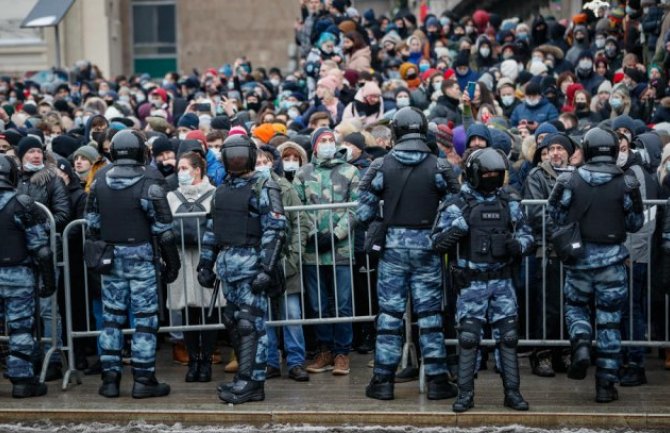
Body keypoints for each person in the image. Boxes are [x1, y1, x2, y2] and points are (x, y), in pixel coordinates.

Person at [357, 107, 460, 401]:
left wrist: (378, 223)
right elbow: (456, 202)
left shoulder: (380, 165)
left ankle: (383, 382)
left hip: (392, 248)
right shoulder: (439, 166)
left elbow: (362, 208)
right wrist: (440, 232)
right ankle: (438, 381)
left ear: (397, 131)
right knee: (430, 316)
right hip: (428, 246)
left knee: (390, 315)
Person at [432, 148, 534, 413]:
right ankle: (465, 395)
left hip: (502, 281)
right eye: (486, 173)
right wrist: (460, 228)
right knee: (468, 339)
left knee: (509, 338)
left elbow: (528, 235)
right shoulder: (457, 204)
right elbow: (437, 242)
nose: (490, 177)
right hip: (472, 283)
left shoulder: (509, 200)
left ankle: (513, 393)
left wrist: (517, 246)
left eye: (495, 174)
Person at [547, 127, 645, 403]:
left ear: (587, 149)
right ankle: (605, 385)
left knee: (576, 308)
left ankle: (580, 343)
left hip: (578, 259)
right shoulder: (627, 182)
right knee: (609, 324)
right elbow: (635, 223)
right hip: (612, 262)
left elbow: (555, 214)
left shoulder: (569, 179)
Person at [85, 129, 181, 399]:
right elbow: (165, 229)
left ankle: (110, 379)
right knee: (144, 321)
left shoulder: (100, 179)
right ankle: (143, 379)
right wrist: (173, 264)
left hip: (110, 256)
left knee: (112, 320)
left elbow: (91, 224)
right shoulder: (151, 179)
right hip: (140, 258)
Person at [197, 134, 287, 404]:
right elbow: (212, 229)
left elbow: (276, 230)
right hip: (228, 268)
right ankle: (244, 378)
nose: (235, 159)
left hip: (252, 267)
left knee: (251, 326)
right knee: (233, 323)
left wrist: (266, 269)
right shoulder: (222, 188)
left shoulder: (264, 186)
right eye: (230, 154)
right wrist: (205, 263)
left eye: (240, 154)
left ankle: (252, 382)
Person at [293, 127, 359, 377]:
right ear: (314, 146)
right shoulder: (303, 173)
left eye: (332, 140)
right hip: (313, 251)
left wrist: (335, 234)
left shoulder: (351, 172)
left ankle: (342, 352)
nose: (328, 144)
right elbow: (297, 208)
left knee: (343, 303)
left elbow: (356, 207)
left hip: (341, 249)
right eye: (323, 140)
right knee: (317, 304)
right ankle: (324, 350)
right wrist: (312, 234)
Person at [16, 136, 71, 382]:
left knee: (49, 308)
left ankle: (55, 358)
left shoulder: (53, 181)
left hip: (48, 251)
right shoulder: (13, 180)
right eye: (31, 152)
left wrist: (36, 222)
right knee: (24, 308)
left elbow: (62, 215)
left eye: (39, 151)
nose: (36, 156)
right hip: (20, 254)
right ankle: (29, 356)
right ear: (21, 156)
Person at [0, 154, 55, 398]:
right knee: (21, 329)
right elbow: (41, 248)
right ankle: (22, 380)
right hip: (18, 276)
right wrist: (49, 279)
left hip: (16, 273)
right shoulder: (22, 203)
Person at [255, 147, 310, 382]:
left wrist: (294, 257)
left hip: (286, 259)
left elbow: (301, 222)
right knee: (264, 316)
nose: (261, 165)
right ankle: (270, 361)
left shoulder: (285, 188)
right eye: (256, 161)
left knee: (292, 314)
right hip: (260, 263)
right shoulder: (247, 188)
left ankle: (296, 361)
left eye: (264, 161)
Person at [523, 133, 575, 377]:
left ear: (568, 152)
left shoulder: (578, 175)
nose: (555, 153)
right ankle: (542, 353)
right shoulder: (537, 176)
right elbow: (536, 214)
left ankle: (564, 351)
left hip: (573, 252)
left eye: (560, 149)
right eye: (551, 148)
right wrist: (564, 237)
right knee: (548, 306)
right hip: (550, 250)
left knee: (571, 305)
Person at [166, 151, 221, 383]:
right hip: (181, 258)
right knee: (188, 311)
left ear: (198, 170)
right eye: (179, 169)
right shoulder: (171, 196)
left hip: (205, 257)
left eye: (185, 168)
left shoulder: (215, 194)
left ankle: (206, 360)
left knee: (208, 311)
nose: (181, 173)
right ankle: (193, 359)